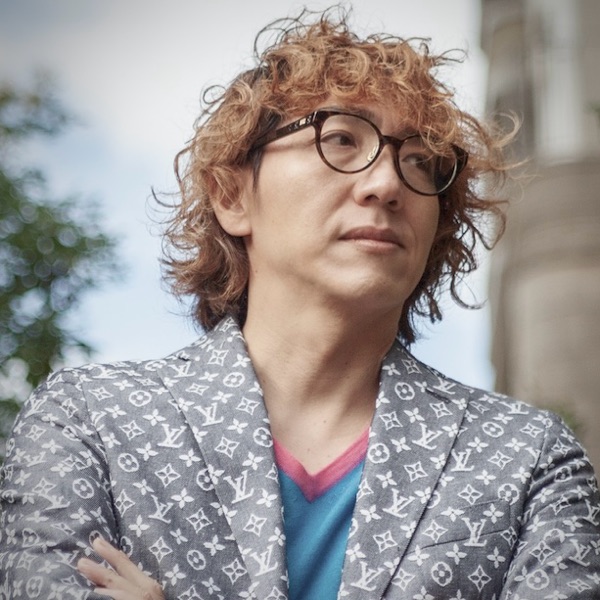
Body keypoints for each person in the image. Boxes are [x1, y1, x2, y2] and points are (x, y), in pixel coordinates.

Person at [1, 7, 599, 600]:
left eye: (420, 161)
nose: (387, 184)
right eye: (340, 139)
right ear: (232, 194)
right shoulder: (89, 422)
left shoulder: (528, 459)